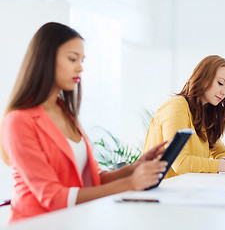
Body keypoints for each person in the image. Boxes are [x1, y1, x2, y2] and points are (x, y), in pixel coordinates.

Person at [0, 22, 167, 223]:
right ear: (45, 59)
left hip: (72, 221)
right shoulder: (18, 121)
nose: (80, 67)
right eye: (72, 59)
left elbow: (90, 180)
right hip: (37, 223)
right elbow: (53, 197)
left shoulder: (65, 112)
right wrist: (129, 184)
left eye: (82, 60)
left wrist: (133, 168)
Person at [142, 55, 225, 178]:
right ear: (203, 78)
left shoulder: (203, 116)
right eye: (220, 83)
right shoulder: (176, 107)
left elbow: (221, 152)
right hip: (159, 192)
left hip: (184, 190)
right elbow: (180, 163)